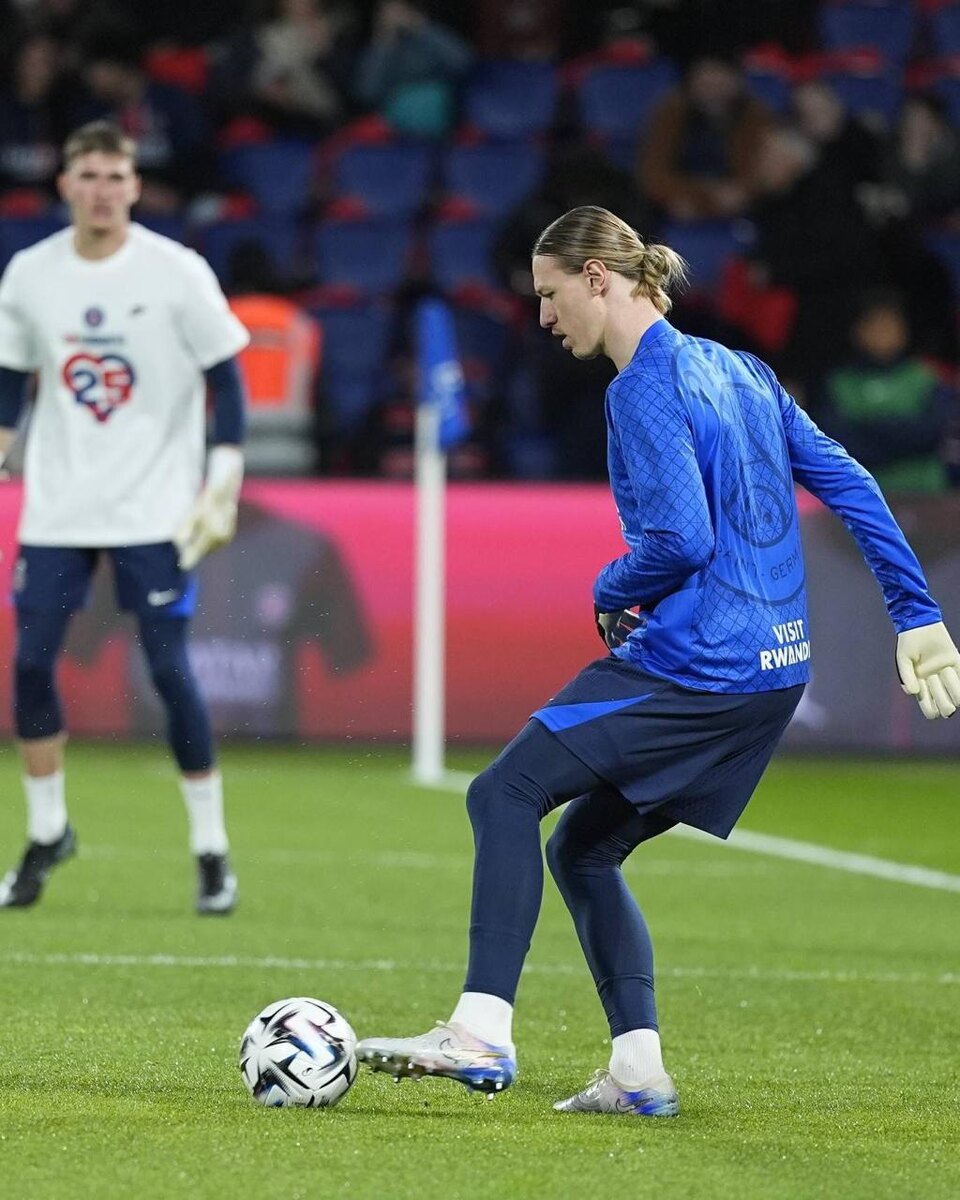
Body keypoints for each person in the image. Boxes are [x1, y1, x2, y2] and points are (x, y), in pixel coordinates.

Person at [355, 205, 960, 1115]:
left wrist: (608, 587)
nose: (544, 316)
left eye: (550, 294)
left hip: (701, 662)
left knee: (503, 793)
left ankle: (479, 1029)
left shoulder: (641, 386)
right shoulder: (743, 369)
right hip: (774, 673)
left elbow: (679, 540)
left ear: (598, 278)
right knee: (585, 849)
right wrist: (917, 613)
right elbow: (851, 480)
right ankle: (638, 1072)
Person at [0, 120, 250, 913]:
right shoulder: (31, 274)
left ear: (136, 186)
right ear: (65, 184)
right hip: (59, 507)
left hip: (154, 507)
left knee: (169, 672)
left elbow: (227, 379)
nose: (103, 190)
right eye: (89, 175)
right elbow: (10, 381)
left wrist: (223, 477)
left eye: (116, 176)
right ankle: (48, 832)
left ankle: (210, 848)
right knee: (30, 668)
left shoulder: (176, 271)